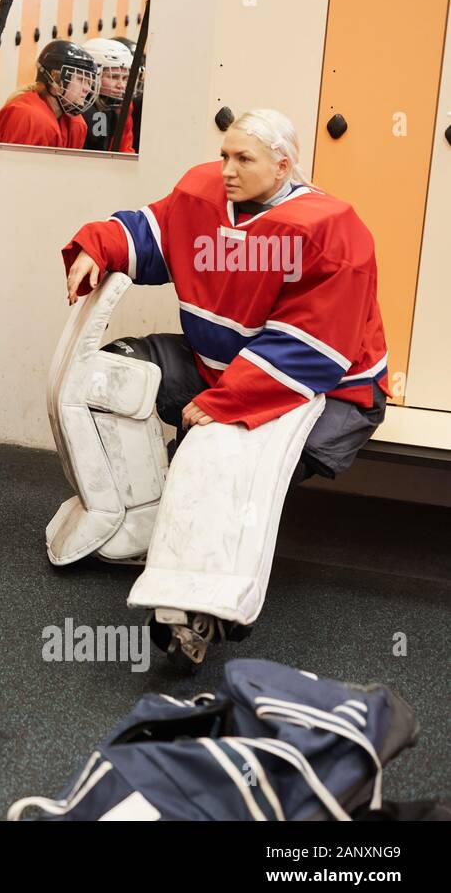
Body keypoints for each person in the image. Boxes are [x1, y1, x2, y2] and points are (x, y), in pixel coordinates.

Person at [57, 109, 389, 666]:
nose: (228, 169)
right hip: (222, 365)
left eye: (244, 159)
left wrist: (225, 404)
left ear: (283, 165)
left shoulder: (331, 231)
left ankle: (201, 609)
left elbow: (310, 350)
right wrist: (100, 244)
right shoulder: (205, 194)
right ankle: (140, 521)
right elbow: (153, 232)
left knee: (222, 456)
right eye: (225, 155)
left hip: (319, 392)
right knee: (114, 374)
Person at [0, 40, 99, 148]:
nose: (87, 89)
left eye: (89, 82)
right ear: (55, 78)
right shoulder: (30, 118)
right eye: (81, 80)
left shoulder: (74, 123)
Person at [80, 38, 135, 153]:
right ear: (92, 76)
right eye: (114, 77)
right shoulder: (80, 112)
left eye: (125, 78)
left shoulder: (120, 107)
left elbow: (125, 149)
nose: (122, 85)